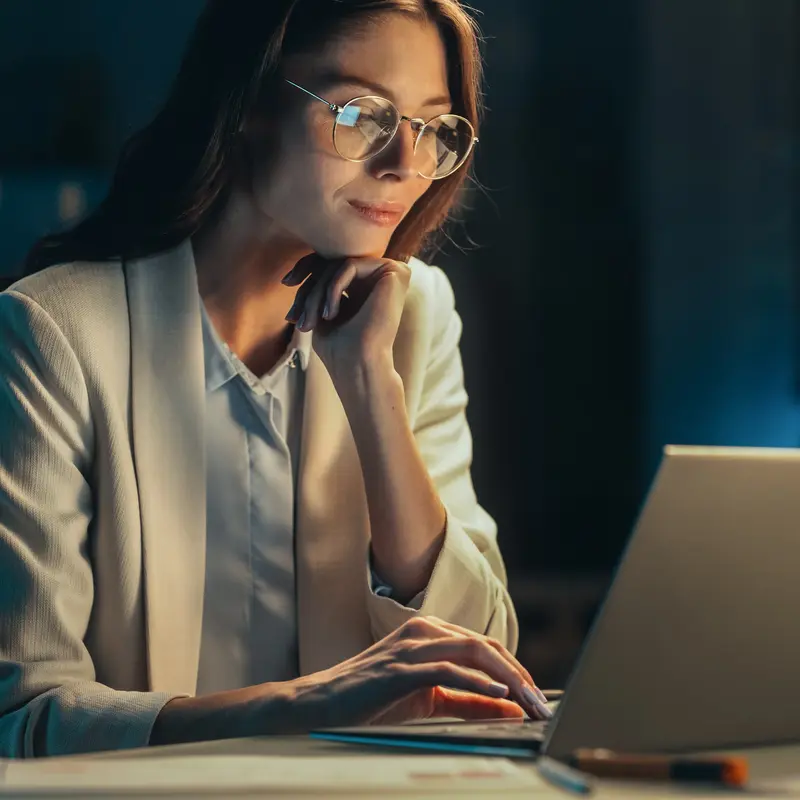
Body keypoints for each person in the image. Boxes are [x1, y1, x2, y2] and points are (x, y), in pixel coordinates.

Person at [0, 0, 550, 758]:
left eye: (433, 128)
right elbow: (22, 719)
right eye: (362, 114)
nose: (404, 164)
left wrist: (371, 389)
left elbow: (481, 669)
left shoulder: (413, 314)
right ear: (251, 102)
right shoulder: (53, 330)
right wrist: (303, 706)